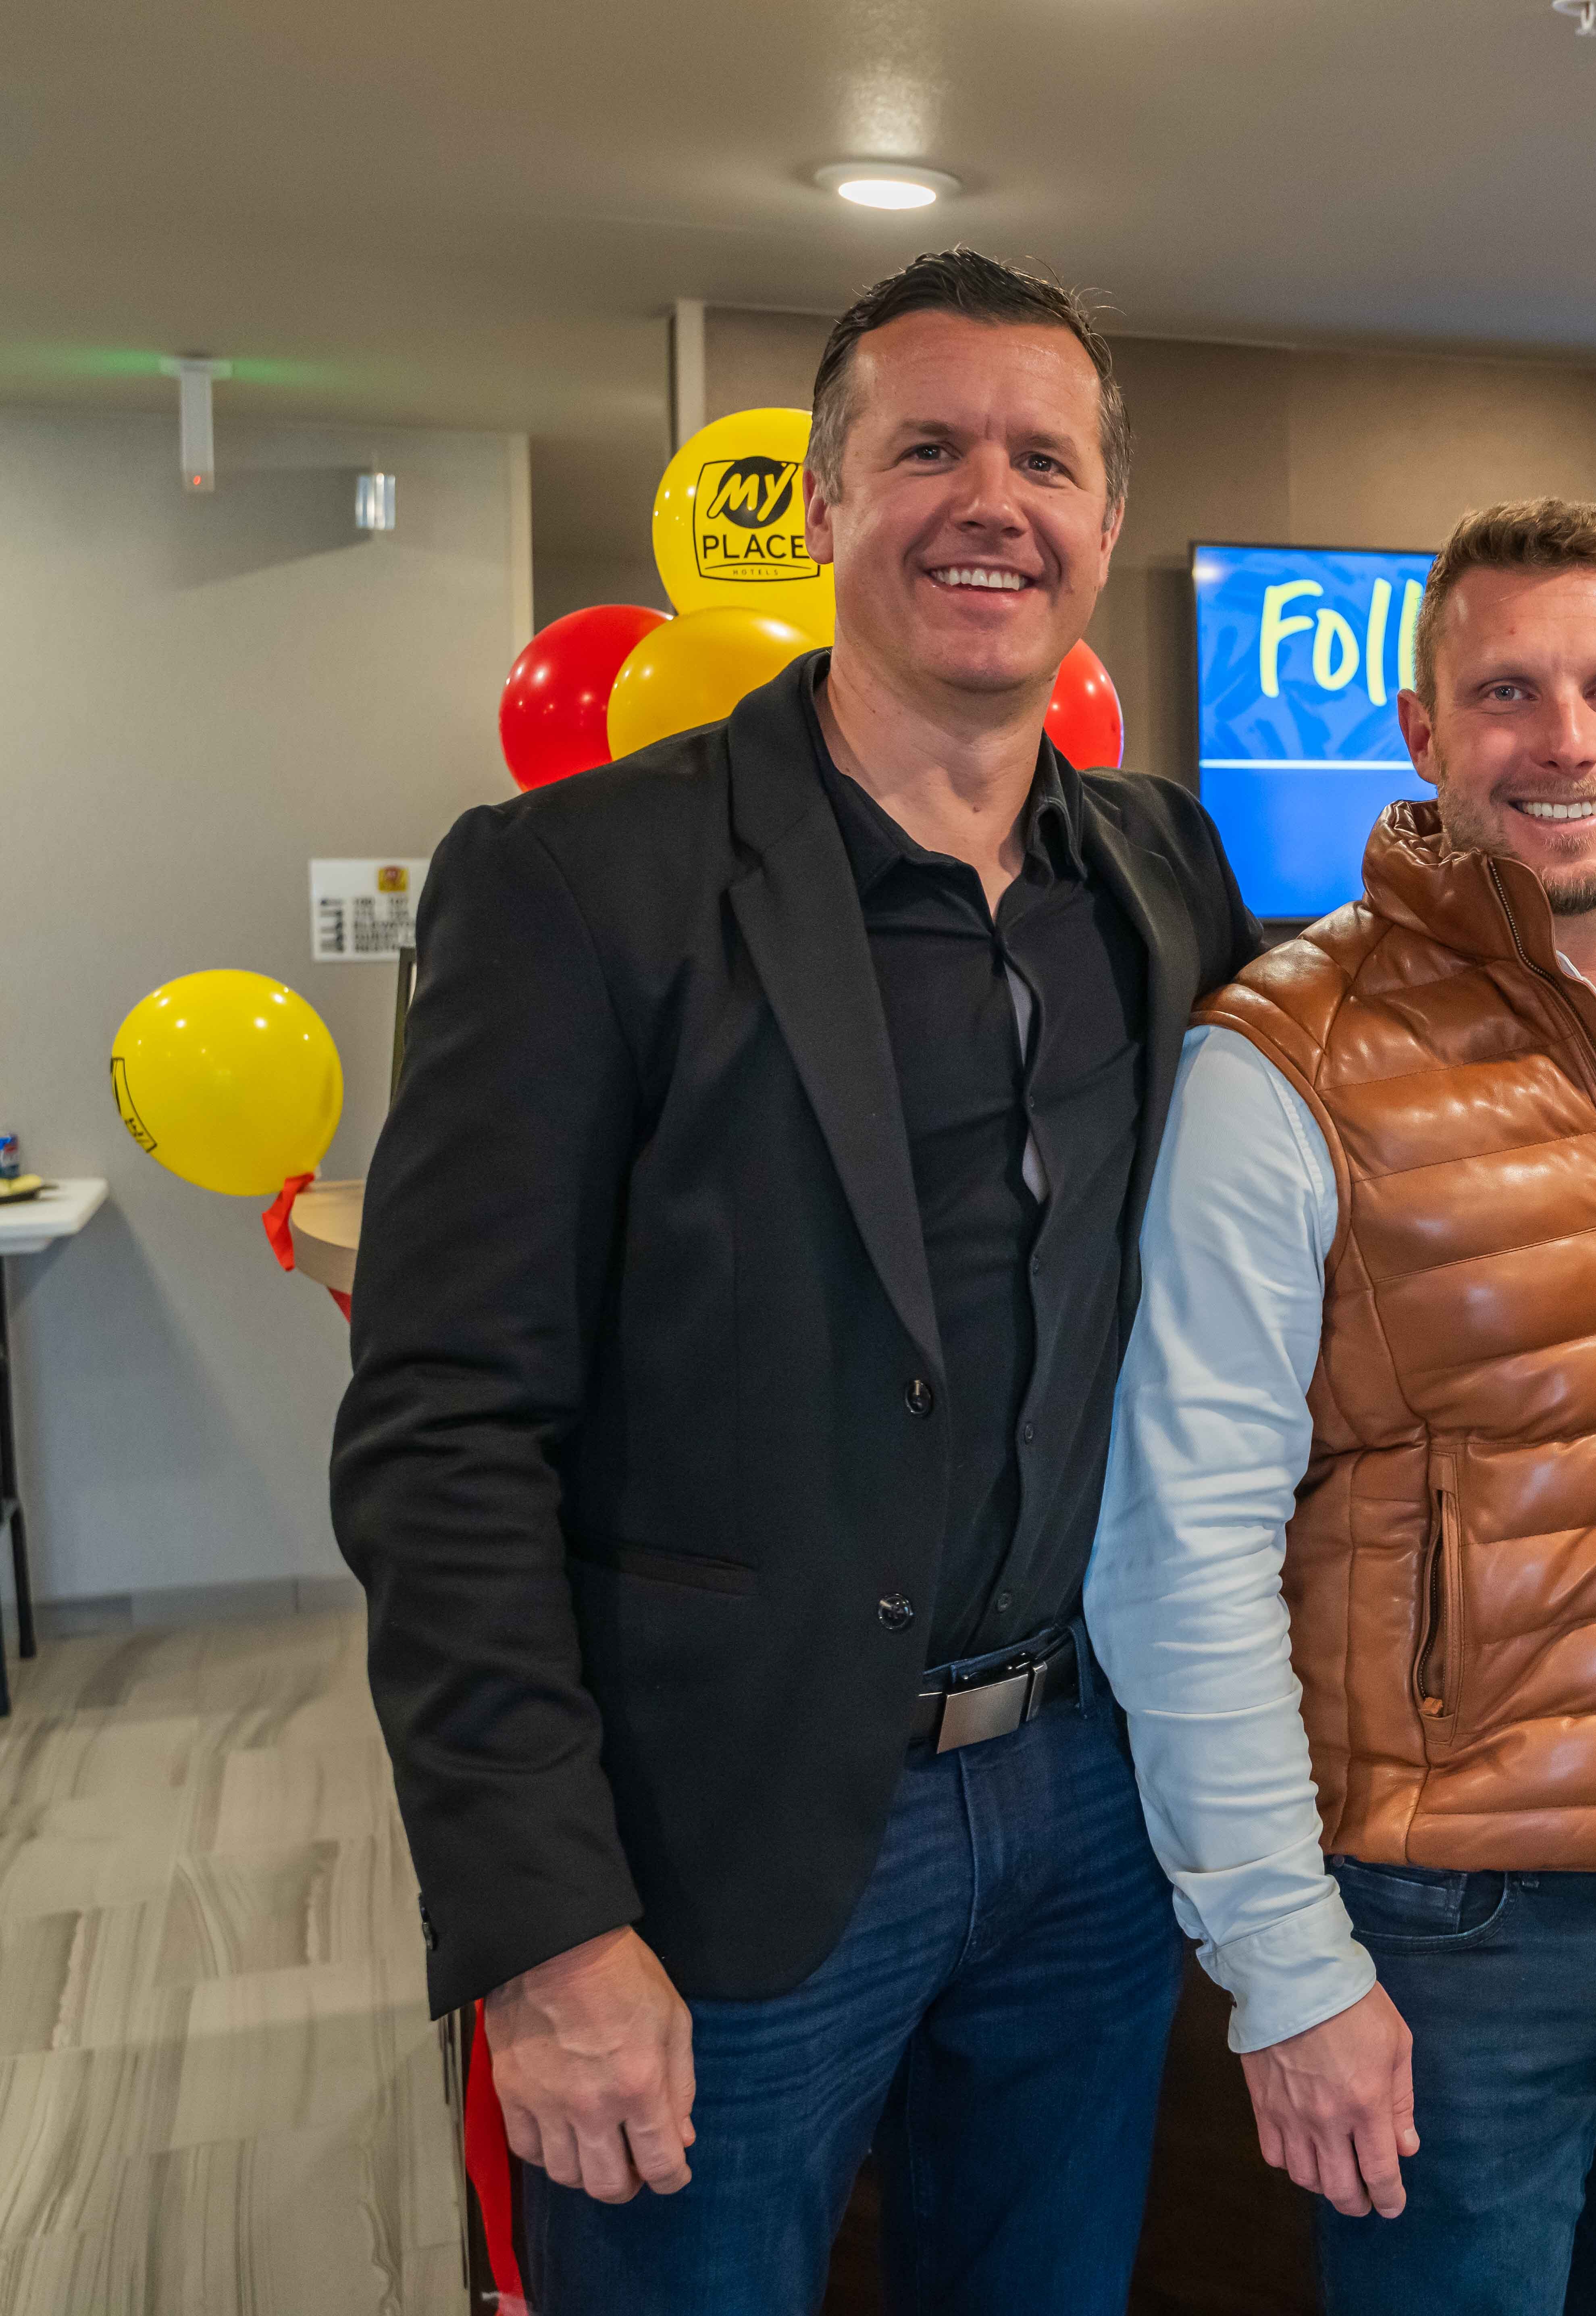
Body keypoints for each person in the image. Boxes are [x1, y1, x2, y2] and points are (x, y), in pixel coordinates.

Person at [329, 249, 1257, 2312]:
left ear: (1105, 523)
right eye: (925, 449)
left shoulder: (1166, 873)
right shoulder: (576, 881)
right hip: (716, 1859)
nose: (988, 501)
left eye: (1045, 457)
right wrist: (547, 1930)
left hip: (1092, 1809)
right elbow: (442, 1438)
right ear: (824, 503)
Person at [1084, 497, 1596, 2316]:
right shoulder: (1291, 1054)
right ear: (1421, 736)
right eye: (1505, 692)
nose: (1565, 741)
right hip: (1455, 1934)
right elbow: (1179, 1543)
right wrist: (1287, 1965)